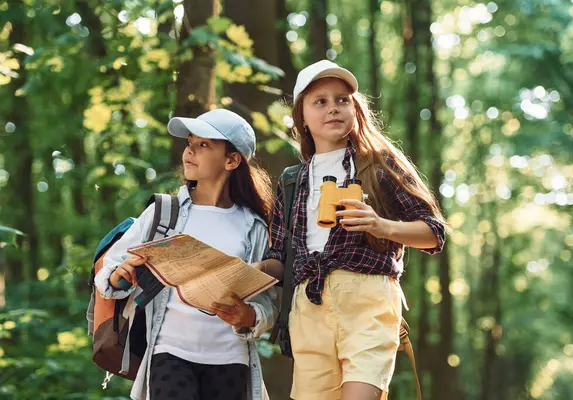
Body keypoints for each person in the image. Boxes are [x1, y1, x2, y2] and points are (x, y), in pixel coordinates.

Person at [255, 60, 447, 400]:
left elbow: (434, 232)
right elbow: (278, 257)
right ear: (302, 117)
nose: (333, 108)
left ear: (355, 109)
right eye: (321, 101)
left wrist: (380, 225)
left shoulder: (379, 163)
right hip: (307, 310)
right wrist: (250, 272)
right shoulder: (291, 180)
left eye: (342, 100)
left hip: (367, 301)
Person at [95, 108, 277, 400]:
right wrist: (120, 276)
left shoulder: (252, 225)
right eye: (189, 142)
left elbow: (268, 304)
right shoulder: (164, 212)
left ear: (232, 160)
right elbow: (110, 269)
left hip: (231, 360)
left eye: (203, 145)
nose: (189, 151)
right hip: (170, 354)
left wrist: (250, 316)